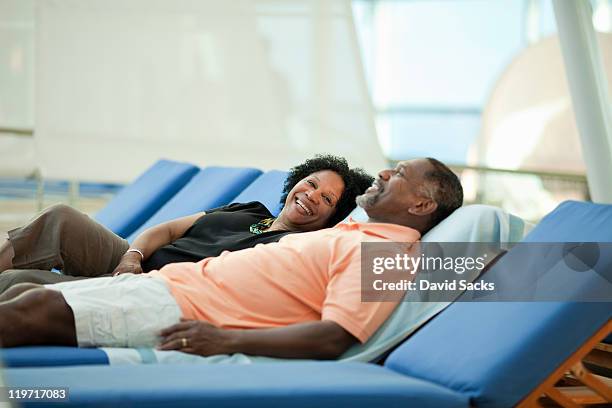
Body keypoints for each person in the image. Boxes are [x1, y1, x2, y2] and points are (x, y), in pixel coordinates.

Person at [0, 158, 463, 360]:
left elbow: (334, 337)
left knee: (29, 309)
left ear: (422, 206)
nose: (385, 171)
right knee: (22, 291)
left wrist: (225, 341)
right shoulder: (355, 232)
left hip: (184, 307)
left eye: (399, 173)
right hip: (167, 284)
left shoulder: (385, 253)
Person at [0, 155, 373, 292]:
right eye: (311, 184)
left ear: (331, 218)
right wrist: (131, 255)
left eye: (326, 199)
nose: (311, 196)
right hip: (131, 262)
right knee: (62, 217)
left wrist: (139, 278)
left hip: (152, 290)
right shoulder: (251, 210)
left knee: (18, 284)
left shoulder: (294, 248)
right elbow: (166, 231)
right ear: (295, 182)